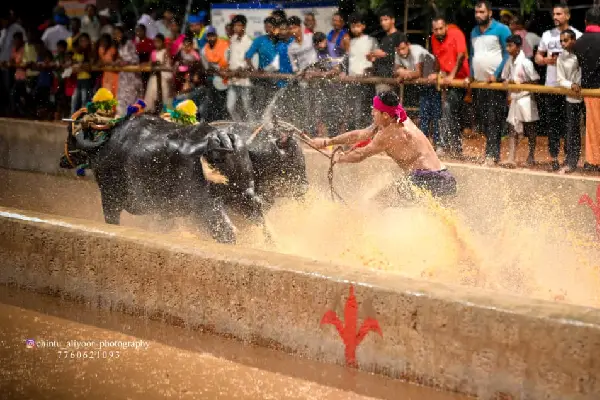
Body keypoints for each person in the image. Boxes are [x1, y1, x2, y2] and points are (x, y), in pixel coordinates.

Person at [310, 91, 457, 200]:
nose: (372, 112)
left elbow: (361, 154)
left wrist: (337, 158)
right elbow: (360, 135)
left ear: (385, 115)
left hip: (428, 179)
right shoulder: (398, 117)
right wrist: (326, 142)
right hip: (446, 179)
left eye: (375, 110)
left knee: (379, 201)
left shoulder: (388, 134)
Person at [535, 4, 582, 171]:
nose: (555, 16)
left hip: (572, 89)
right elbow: (537, 56)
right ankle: (554, 157)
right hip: (552, 85)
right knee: (553, 124)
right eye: (554, 14)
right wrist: (544, 60)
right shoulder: (547, 35)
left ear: (567, 15)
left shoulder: (578, 34)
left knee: (571, 125)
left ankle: (571, 159)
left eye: (559, 14)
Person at [469, 0, 511, 166]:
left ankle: (492, 155)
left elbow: (508, 54)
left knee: (494, 118)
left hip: (495, 84)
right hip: (479, 84)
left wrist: (497, 74)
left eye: (482, 12)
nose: (478, 15)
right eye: (476, 12)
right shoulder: (474, 31)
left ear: (490, 13)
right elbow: (473, 55)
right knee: (483, 120)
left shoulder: (501, 29)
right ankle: (490, 152)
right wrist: (471, 75)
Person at [431, 16, 470, 157]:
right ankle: (457, 148)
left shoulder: (456, 33)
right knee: (450, 113)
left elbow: (461, 55)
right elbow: (438, 58)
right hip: (447, 79)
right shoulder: (434, 39)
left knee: (447, 108)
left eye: (441, 28)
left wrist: (452, 75)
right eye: (435, 29)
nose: (439, 31)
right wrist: (436, 73)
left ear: (446, 27)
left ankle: (443, 145)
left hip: (460, 78)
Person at [394, 37, 440, 152]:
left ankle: (438, 144)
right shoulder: (398, 53)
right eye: (399, 50)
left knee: (435, 115)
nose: (401, 52)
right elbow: (395, 71)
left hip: (432, 81)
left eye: (403, 48)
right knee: (424, 115)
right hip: (423, 84)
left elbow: (418, 73)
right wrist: (403, 73)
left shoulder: (417, 51)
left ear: (408, 45)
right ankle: (423, 144)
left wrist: (404, 74)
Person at [500, 34, 540, 167]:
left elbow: (535, 80)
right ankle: (511, 157)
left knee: (530, 128)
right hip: (515, 99)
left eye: (510, 45)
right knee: (512, 128)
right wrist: (508, 83)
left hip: (526, 98)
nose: (507, 48)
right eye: (507, 45)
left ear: (517, 47)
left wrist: (520, 84)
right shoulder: (509, 61)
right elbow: (504, 77)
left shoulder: (526, 62)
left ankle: (531, 156)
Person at [573, 6, 600, 171]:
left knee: (592, 127)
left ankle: (593, 160)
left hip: (589, 92)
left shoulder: (579, 42)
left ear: (585, 21)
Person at [346, 12, 378, 130]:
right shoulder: (350, 42)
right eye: (352, 26)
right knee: (352, 111)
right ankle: (352, 139)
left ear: (363, 26)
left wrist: (370, 70)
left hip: (366, 81)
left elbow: (376, 60)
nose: (355, 28)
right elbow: (347, 60)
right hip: (352, 80)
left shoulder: (371, 40)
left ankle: (366, 138)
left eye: (357, 25)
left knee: (365, 110)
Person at [557, 29, 583, 174]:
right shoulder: (561, 58)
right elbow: (560, 79)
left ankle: (593, 162)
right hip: (572, 97)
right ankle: (571, 161)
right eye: (561, 41)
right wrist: (571, 85)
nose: (563, 43)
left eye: (565, 40)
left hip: (589, 96)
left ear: (573, 40)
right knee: (572, 130)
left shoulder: (583, 52)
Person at [369, 9, 405, 93]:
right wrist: (373, 59)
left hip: (392, 79)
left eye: (386, 19)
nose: (383, 23)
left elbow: (403, 57)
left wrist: (383, 54)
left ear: (393, 20)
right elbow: (382, 59)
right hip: (380, 78)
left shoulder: (400, 36)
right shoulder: (384, 39)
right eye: (381, 20)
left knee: (386, 104)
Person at [226, 14, 253, 121]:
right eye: (235, 25)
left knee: (247, 107)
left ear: (244, 26)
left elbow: (249, 61)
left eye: (238, 25)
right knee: (230, 107)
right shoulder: (232, 39)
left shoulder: (249, 42)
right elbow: (231, 59)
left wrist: (241, 68)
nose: (236, 28)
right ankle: (238, 125)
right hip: (233, 79)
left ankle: (255, 127)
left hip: (244, 80)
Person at [113, 26, 143, 117]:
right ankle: (123, 117)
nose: (116, 35)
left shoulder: (129, 43)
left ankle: (133, 116)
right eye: (115, 34)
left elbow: (135, 58)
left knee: (131, 96)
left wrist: (125, 61)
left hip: (131, 75)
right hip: (123, 75)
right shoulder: (119, 46)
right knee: (122, 96)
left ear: (122, 34)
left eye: (118, 33)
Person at [145, 34, 173, 112]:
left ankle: (165, 110)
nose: (157, 44)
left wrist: (157, 64)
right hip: (155, 74)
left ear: (163, 42)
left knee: (164, 92)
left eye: (158, 42)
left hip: (164, 73)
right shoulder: (153, 52)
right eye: (155, 42)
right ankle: (152, 110)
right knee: (152, 91)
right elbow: (150, 62)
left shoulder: (165, 52)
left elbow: (165, 63)